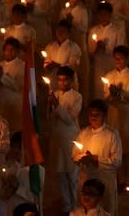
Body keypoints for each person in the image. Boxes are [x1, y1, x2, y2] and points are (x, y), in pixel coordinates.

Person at [72, 100, 123, 216]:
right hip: (86, 180)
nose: (93, 117)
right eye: (91, 114)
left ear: (104, 116)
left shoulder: (112, 134)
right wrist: (80, 159)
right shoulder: (83, 133)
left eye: (97, 114)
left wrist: (96, 159)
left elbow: (117, 161)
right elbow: (74, 155)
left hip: (105, 181)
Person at [102, 46, 129, 188]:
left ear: (127, 59)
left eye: (121, 58)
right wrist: (111, 94)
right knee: (116, 146)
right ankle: (119, 179)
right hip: (114, 113)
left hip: (127, 113)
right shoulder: (109, 75)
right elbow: (105, 96)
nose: (118, 61)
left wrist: (121, 93)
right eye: (116, 58)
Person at [48, 66, 82, 214]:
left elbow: (69, 119)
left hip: (70, 137)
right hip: (57, 137)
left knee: (72, 173)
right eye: (59, 80)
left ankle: (75, 205)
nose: (62, 83)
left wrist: (57, 106)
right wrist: (51, 106)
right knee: (61, 172)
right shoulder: (55, 94)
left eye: (65, 80)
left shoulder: (76, 97)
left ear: (71, 81)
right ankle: (66, 204)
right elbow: (50, 119)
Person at [89, 2, 127, 99]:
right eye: (100, 14)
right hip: (99, 63)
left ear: (110, 15)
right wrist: (97, 47)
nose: (103, 17)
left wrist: (106, 48)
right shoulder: (93, 30)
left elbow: (120, 49)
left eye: (105, 14)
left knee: (111, 86)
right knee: (99, 88)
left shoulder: (117, 30)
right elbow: (90, 50)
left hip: (112, 62)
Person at [0, 37, 24, 133]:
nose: (9, 52)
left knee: (15, 131)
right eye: (7, 50)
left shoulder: (22, 65)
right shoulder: (0, 64)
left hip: (15, 104)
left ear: (17, 51)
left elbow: (18, 86)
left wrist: (2, 76)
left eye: (12, 50)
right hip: (2, 103)